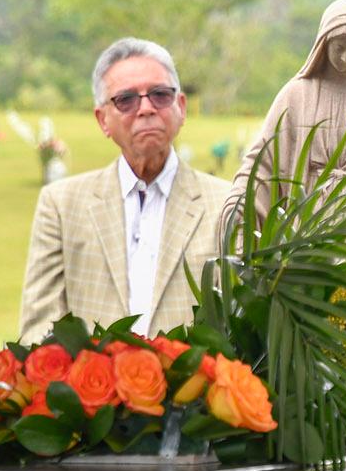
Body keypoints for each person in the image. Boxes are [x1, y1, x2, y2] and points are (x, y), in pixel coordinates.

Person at [20, 38, 230, 342]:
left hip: (196, 387)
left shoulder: (226, 203)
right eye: (126, 100)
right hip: (89, 387)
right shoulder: (62, 205)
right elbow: (39, 328)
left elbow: (241, 326)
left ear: (180, 107)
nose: (145, 108)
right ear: (103, 119)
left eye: (160, 95)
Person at [229, 0, 346, 221]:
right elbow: (262, 164)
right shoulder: (295, 96)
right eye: (339, 48)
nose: (345, 57)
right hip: (305, 232)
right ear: (324, 42)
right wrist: (238, 207)